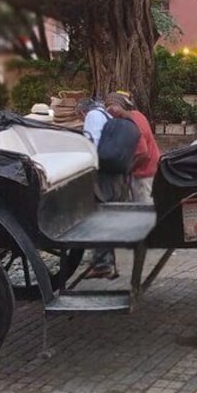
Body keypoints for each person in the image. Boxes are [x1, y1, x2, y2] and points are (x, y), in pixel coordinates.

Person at [75, 98, 124, 279]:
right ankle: (107, 263)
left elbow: (92, 145)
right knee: (107, 216)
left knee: (99, 217)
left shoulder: (93, 116)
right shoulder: (105, 115)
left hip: (102, 175)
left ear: (82, 112)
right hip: (113, 174)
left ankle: (103, 264)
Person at [104, 92, 160, 204]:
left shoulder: (132, 124)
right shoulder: (136, 114)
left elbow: (143, 154)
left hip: (144, 174)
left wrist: (127, 170)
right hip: (152, 169)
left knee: (144, 209)